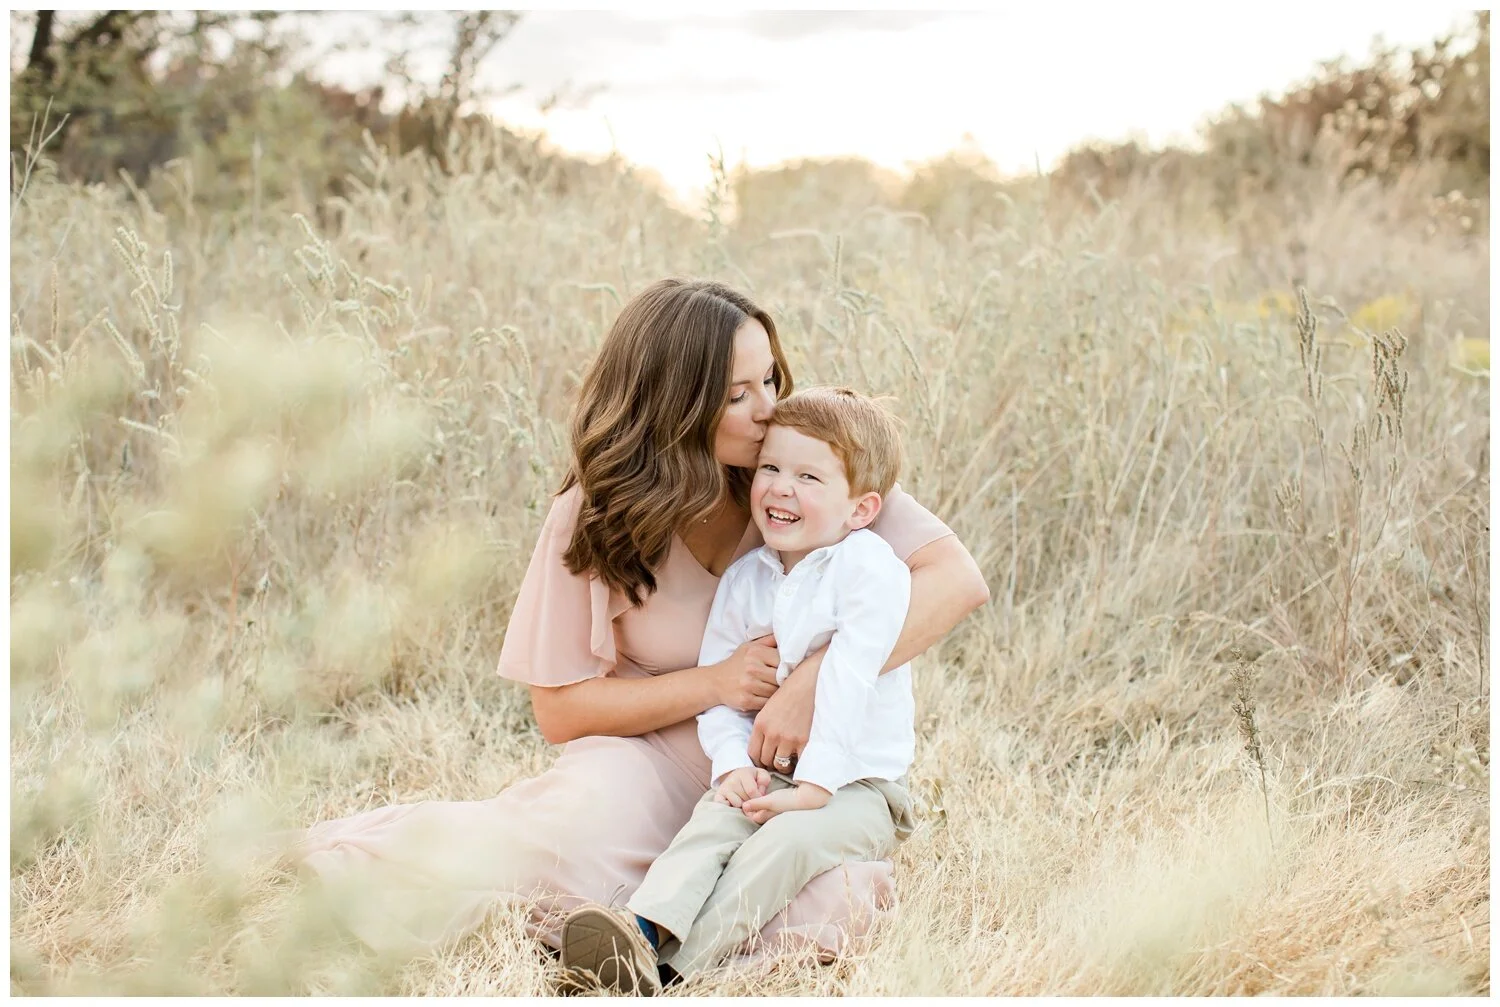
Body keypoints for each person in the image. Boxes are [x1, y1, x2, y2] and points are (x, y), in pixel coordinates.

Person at [292, 278, 989, 973]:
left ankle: (650, 957)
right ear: (675, 404)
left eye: (770, 378)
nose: (767, 408)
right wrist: (715, 682)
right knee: (547, 853)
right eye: (737, 395)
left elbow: (955, 579)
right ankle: (601, 927)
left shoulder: (807, 465)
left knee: (830, 899)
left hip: (783, 777)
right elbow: (561, 709)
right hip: (645, 766)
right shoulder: (598, 511)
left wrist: (812, 679)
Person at [560, 386, 921, 995]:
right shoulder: (747, 578)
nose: (781, 488)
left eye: (809, 477)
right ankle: (642, 929)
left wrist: (815, 786)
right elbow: (723, 693)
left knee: (785, 843)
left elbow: (850, 675)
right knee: (714, 824)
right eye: (771, 468)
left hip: (858, 787)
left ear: (860, 509)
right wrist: (732, 767)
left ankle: (675, 970)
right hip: (768, 771)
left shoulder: (869, 568)